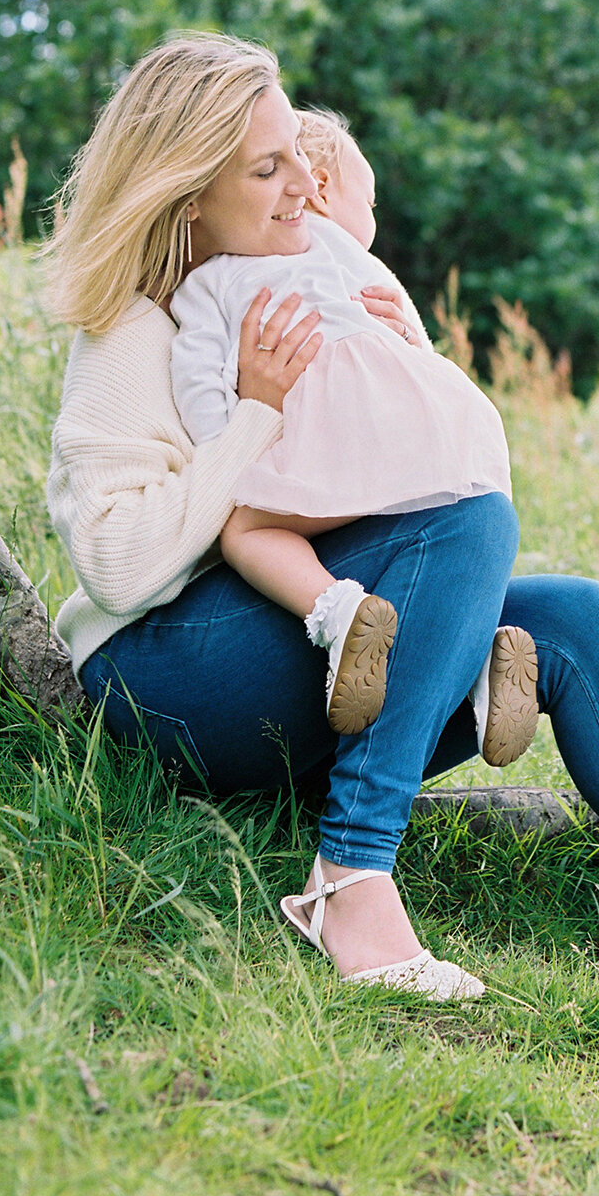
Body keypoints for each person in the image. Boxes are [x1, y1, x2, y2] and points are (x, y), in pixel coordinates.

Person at [44, 32, 599, 1021]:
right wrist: (257, 412)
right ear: (190, 189)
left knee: (571, 614)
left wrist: (388, 358)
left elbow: (364, 475)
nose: (300, 186)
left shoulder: (281, 281)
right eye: (267, 166)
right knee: (467, 517)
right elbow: (119, 568)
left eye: (300, 155)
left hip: (295, 626)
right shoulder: (132, 325)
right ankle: (347, 876)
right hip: (162, 674)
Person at [168, 102, 535, 762]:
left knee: (250, 532)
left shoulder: (214, 275)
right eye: (371, 201)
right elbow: (404, 341)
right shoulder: (347, 253)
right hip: (428, 426)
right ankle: (478, 662)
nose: (372, 221)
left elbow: (198, 374)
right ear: (326, 189)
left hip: (321, 427)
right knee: (451, 522)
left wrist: (224, 442)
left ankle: (336, 614)